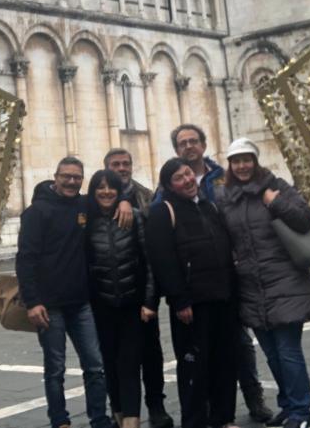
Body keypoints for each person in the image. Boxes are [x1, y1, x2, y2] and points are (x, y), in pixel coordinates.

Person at [16, 157, 133, 428]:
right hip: (49, 306)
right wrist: (32, 302)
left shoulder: (84, 204)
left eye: (76, 177)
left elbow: (109, 195)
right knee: (55, 369)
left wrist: (125, 200)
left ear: (82, 180)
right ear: (55, 177)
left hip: (80, 302)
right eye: (66, 176)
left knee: (95, 365)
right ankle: (60, 420)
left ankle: (99, 418)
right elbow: (25, 259)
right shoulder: (36, 212)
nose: (71, 181)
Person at [171, 124, 274, 424]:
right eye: (182, 143)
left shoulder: (223, 177)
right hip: (198, 282)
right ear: (177, 150)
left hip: (231, 273)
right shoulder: (171, 183)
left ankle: (253, 396)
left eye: (193, 141)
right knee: (202, 348)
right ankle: (208, 407)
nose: (188, 146)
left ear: (204, 145)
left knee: (239, 342)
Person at [218, 138, 310, 428]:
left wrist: (276, 203)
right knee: (272, 354)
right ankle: (288, 406)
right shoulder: (226, 198)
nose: (242, 166)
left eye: (247, 160)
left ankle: (302, 413)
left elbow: (304, 219)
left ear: (255, 161)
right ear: (230, 165)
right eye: (236, 161)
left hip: (285, 281)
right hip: (251, 286)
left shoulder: (276, 186)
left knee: (288, 351)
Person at [146, 157, 239, 428]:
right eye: (179, 178)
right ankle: (195, 421)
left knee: (224, 360)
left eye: (188, 174)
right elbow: (162, 260)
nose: (187, 180)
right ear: (169, 186)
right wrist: (179, 300)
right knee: (194, 366)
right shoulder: (163, 211)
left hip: (222, 296)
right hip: (192, 303)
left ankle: (223, 417)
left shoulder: (209, 206)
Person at [104, 148, 175, 428]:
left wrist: (152, 295)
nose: (122, 168)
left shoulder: (146, 195)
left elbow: (154, 244)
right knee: (114, 356)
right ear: (107, 168)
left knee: (151, 352)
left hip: (142, 288)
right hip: (110, 293)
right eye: (116, 164)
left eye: (126, 163)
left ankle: (156, 405)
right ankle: (119, 409)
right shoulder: (99, 196)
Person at [86, 168, 157, 428]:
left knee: (129, 364)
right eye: (100, 187)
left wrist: (149, 301)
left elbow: (149, 261)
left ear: (119, 191)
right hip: (100, 306)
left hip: (131, 304)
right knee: (109, 364)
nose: (106, 192)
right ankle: (119, 414)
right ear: (93, 191)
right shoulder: (85, 221)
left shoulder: (134, 216)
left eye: (111, 187)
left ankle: (131, 420)